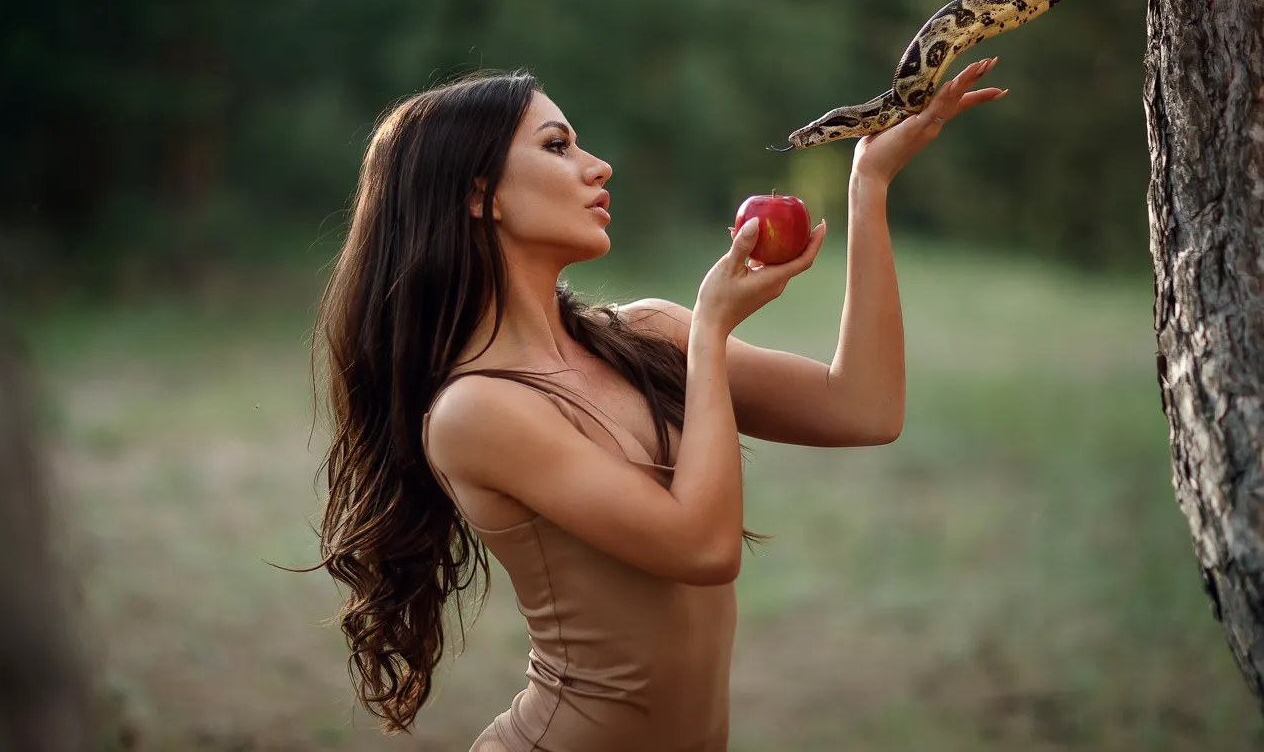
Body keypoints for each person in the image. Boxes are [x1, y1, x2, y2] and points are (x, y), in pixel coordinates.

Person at [312, 59, 1005, 751]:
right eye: (558, 146)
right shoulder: (476, 412)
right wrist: (709, 333)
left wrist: (869, 185)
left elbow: (864, 409)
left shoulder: (644, 334)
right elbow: (702, 549)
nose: (599, 166)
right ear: (479, 194)